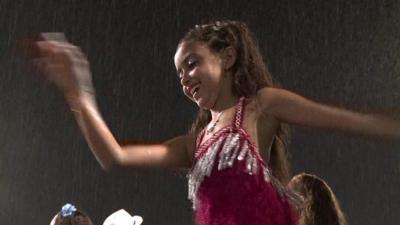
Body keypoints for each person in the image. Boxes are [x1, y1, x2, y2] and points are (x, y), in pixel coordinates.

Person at [31, 20, 400, 225]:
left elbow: (347, 120)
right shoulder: (196, 143)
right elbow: (115, 156)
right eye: (178, 73)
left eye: (191, 63)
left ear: (227, 56)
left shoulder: (260, 106)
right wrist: (79, 94)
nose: (184, 78)